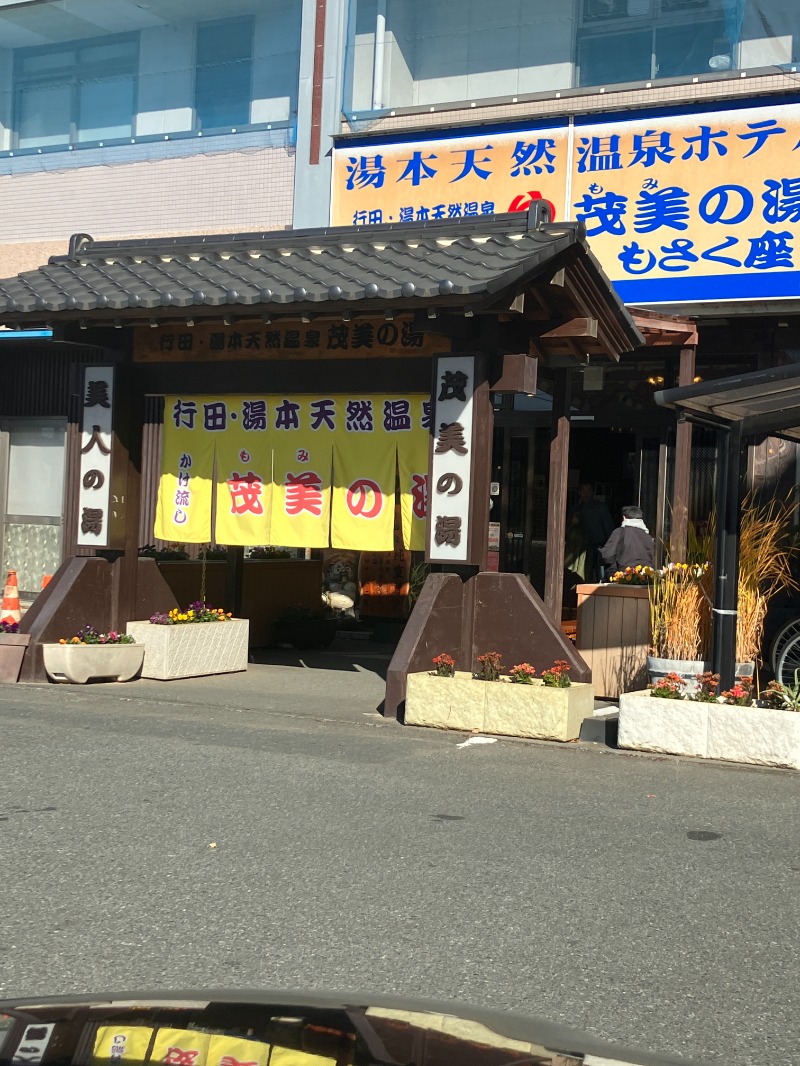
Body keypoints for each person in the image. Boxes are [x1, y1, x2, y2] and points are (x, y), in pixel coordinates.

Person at [570, 482, 614, 582]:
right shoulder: (577, 509)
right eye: (583, 491)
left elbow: (609, 528)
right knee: (584, 576)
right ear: (579, 493)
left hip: (600, 547)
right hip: (582, 549)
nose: (586, 494)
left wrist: (609, 548)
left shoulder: (601, 508)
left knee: (601, 577)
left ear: (593, 492)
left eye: (588, 491)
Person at [600, 505, 655, 576]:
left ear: (624, 518)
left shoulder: (620, 532)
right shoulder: (647, 536)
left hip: (624, 576)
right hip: (646, 577)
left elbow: (607, 556)